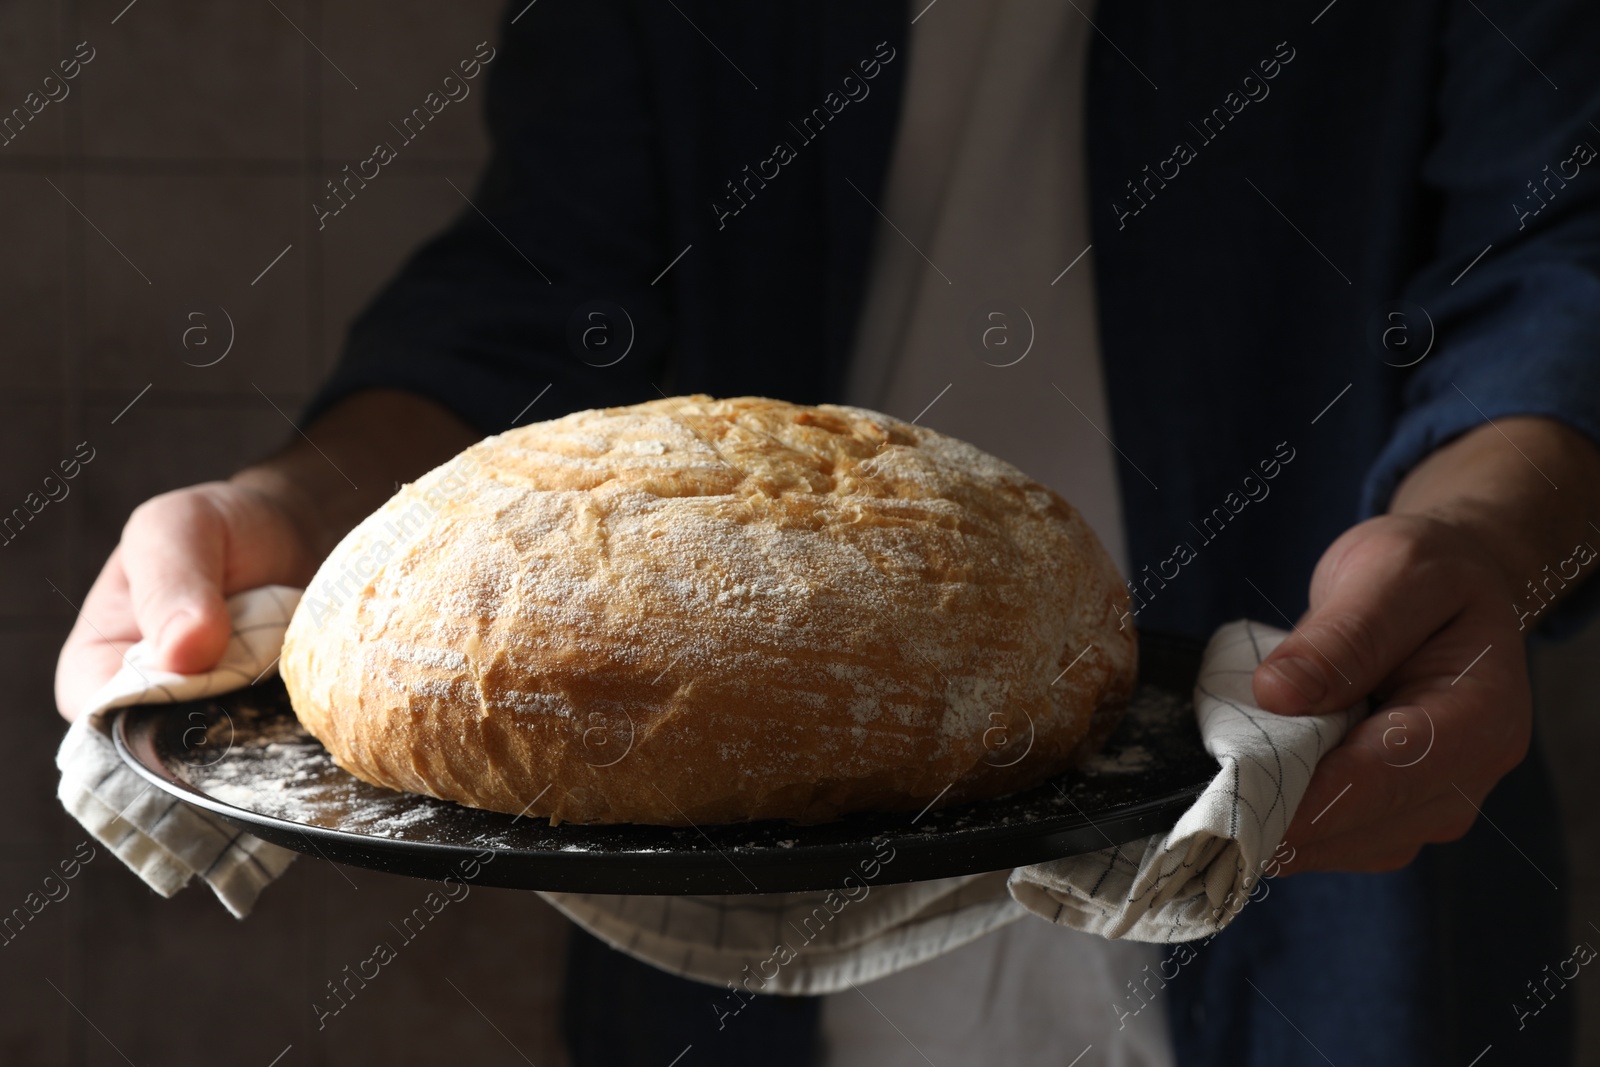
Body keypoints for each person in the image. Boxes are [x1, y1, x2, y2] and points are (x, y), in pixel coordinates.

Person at [55, 1, 1600, 1064]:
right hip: (727, 956)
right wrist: (293, 509)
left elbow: (1558, 253)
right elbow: (543, 287)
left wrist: (1478, 543)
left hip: (1324, 876)